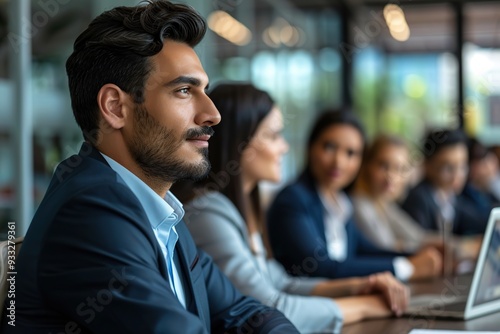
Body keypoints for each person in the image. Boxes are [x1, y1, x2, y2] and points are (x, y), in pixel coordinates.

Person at [0, 2, 299, 333]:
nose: (213, 114)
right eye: (184, 90)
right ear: (115, 107)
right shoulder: (88, 212)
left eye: (205, 90)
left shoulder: (161, 213)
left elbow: (247, 314)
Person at [175, 84, 409, 334]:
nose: (284, 148)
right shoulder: (209, 212)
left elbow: (282, 283)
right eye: (273, 136)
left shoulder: (241, 211)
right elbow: (268, 307)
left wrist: (359, 286)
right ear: (239, 142)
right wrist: (364, 306)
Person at [267, 111, 442, 282]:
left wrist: (416, 256)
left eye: (351, 153)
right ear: (311, 147)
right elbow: (321, 267)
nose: (339, 162)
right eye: (329, 147)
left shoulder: (342, 201)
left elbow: (364, 250)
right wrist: (406, 267)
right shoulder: (292, 200)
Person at [351, 134, 442, 252]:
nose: (391, 176)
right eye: (383, 166)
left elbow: (417, 236)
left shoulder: (383, 204)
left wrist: (460, 245)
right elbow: (387, 249)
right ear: (367, 165)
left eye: (400, 169)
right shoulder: (359, 204)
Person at [401, 129, 487, 236]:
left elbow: (478, 219)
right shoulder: (419, 200)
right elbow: (419, 241)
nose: (457, 175)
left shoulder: (450, 197)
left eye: (462, 166)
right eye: (448, 168)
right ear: (427, 166)